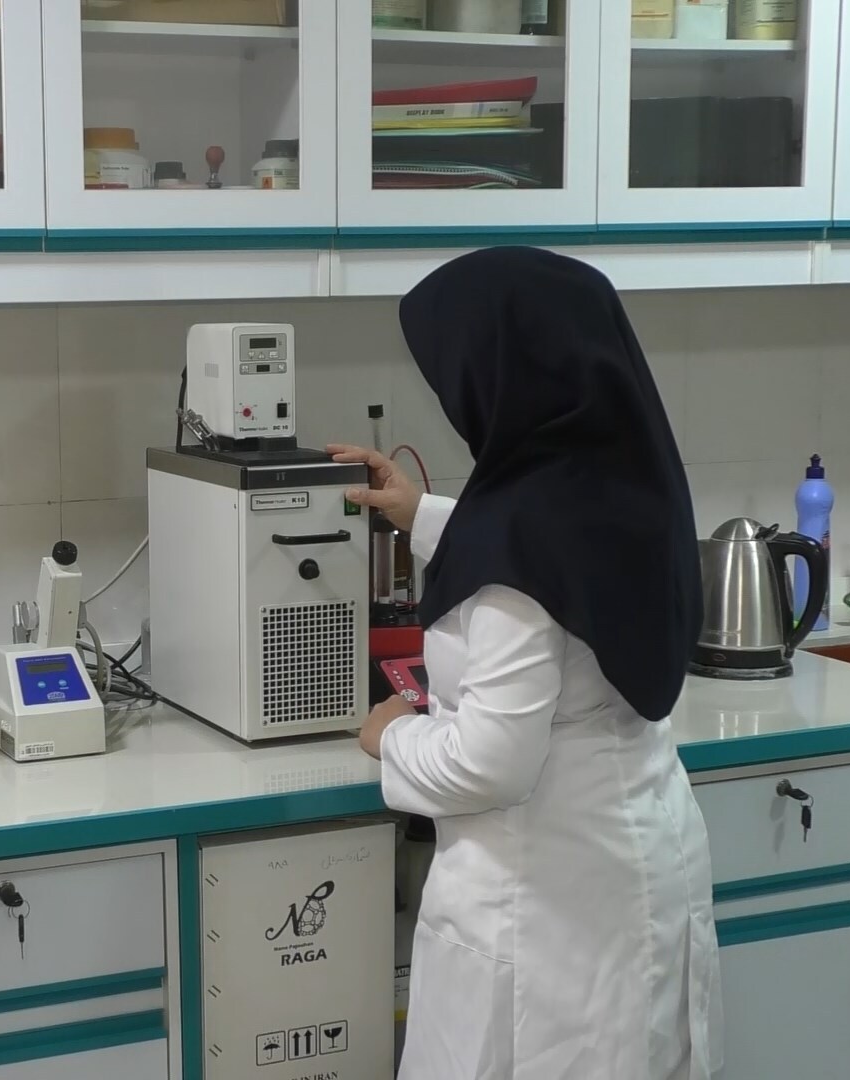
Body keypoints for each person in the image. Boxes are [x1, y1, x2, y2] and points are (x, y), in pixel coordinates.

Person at [330, 247, 721, 1080]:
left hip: (547, 915)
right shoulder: (625, 478)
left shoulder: (523, 538)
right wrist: (421, 514)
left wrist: (390, 735)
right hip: (639, 862)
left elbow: (489, 764)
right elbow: (559, 569)